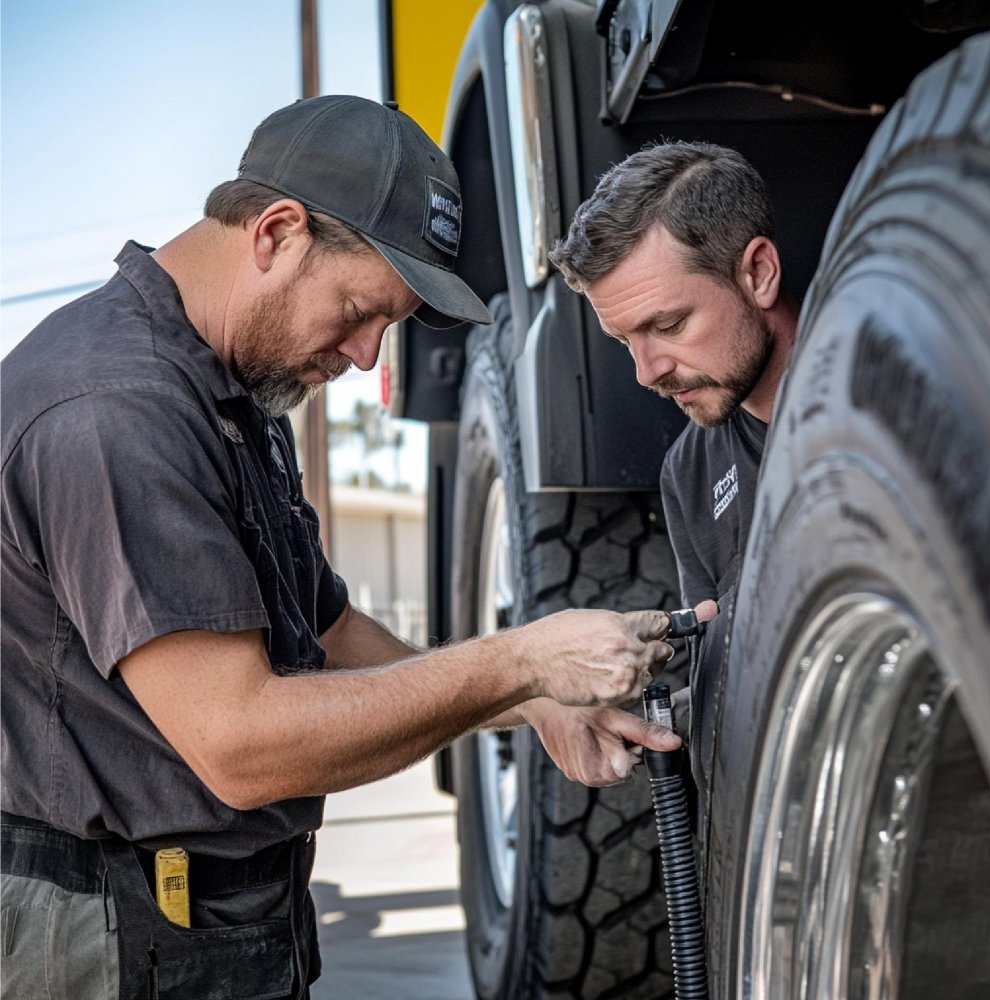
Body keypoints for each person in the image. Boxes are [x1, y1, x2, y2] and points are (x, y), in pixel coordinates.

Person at [0, 97, 681, 1000]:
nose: (365, 356)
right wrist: (517, 659)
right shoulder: (115, 413)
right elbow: (241, 746)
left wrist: (532, 700)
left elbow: (331, 636)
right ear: (277, 233)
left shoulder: (232, 393)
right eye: (360, 310)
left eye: (386, 326)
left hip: (207, 923)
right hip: (113, 938)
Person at [549, 141, 801, 734]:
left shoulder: (882, 388)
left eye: (668, 325)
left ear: (758, 274)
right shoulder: (689, 472)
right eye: (625, 342)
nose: (647, 372)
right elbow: (725, 698)